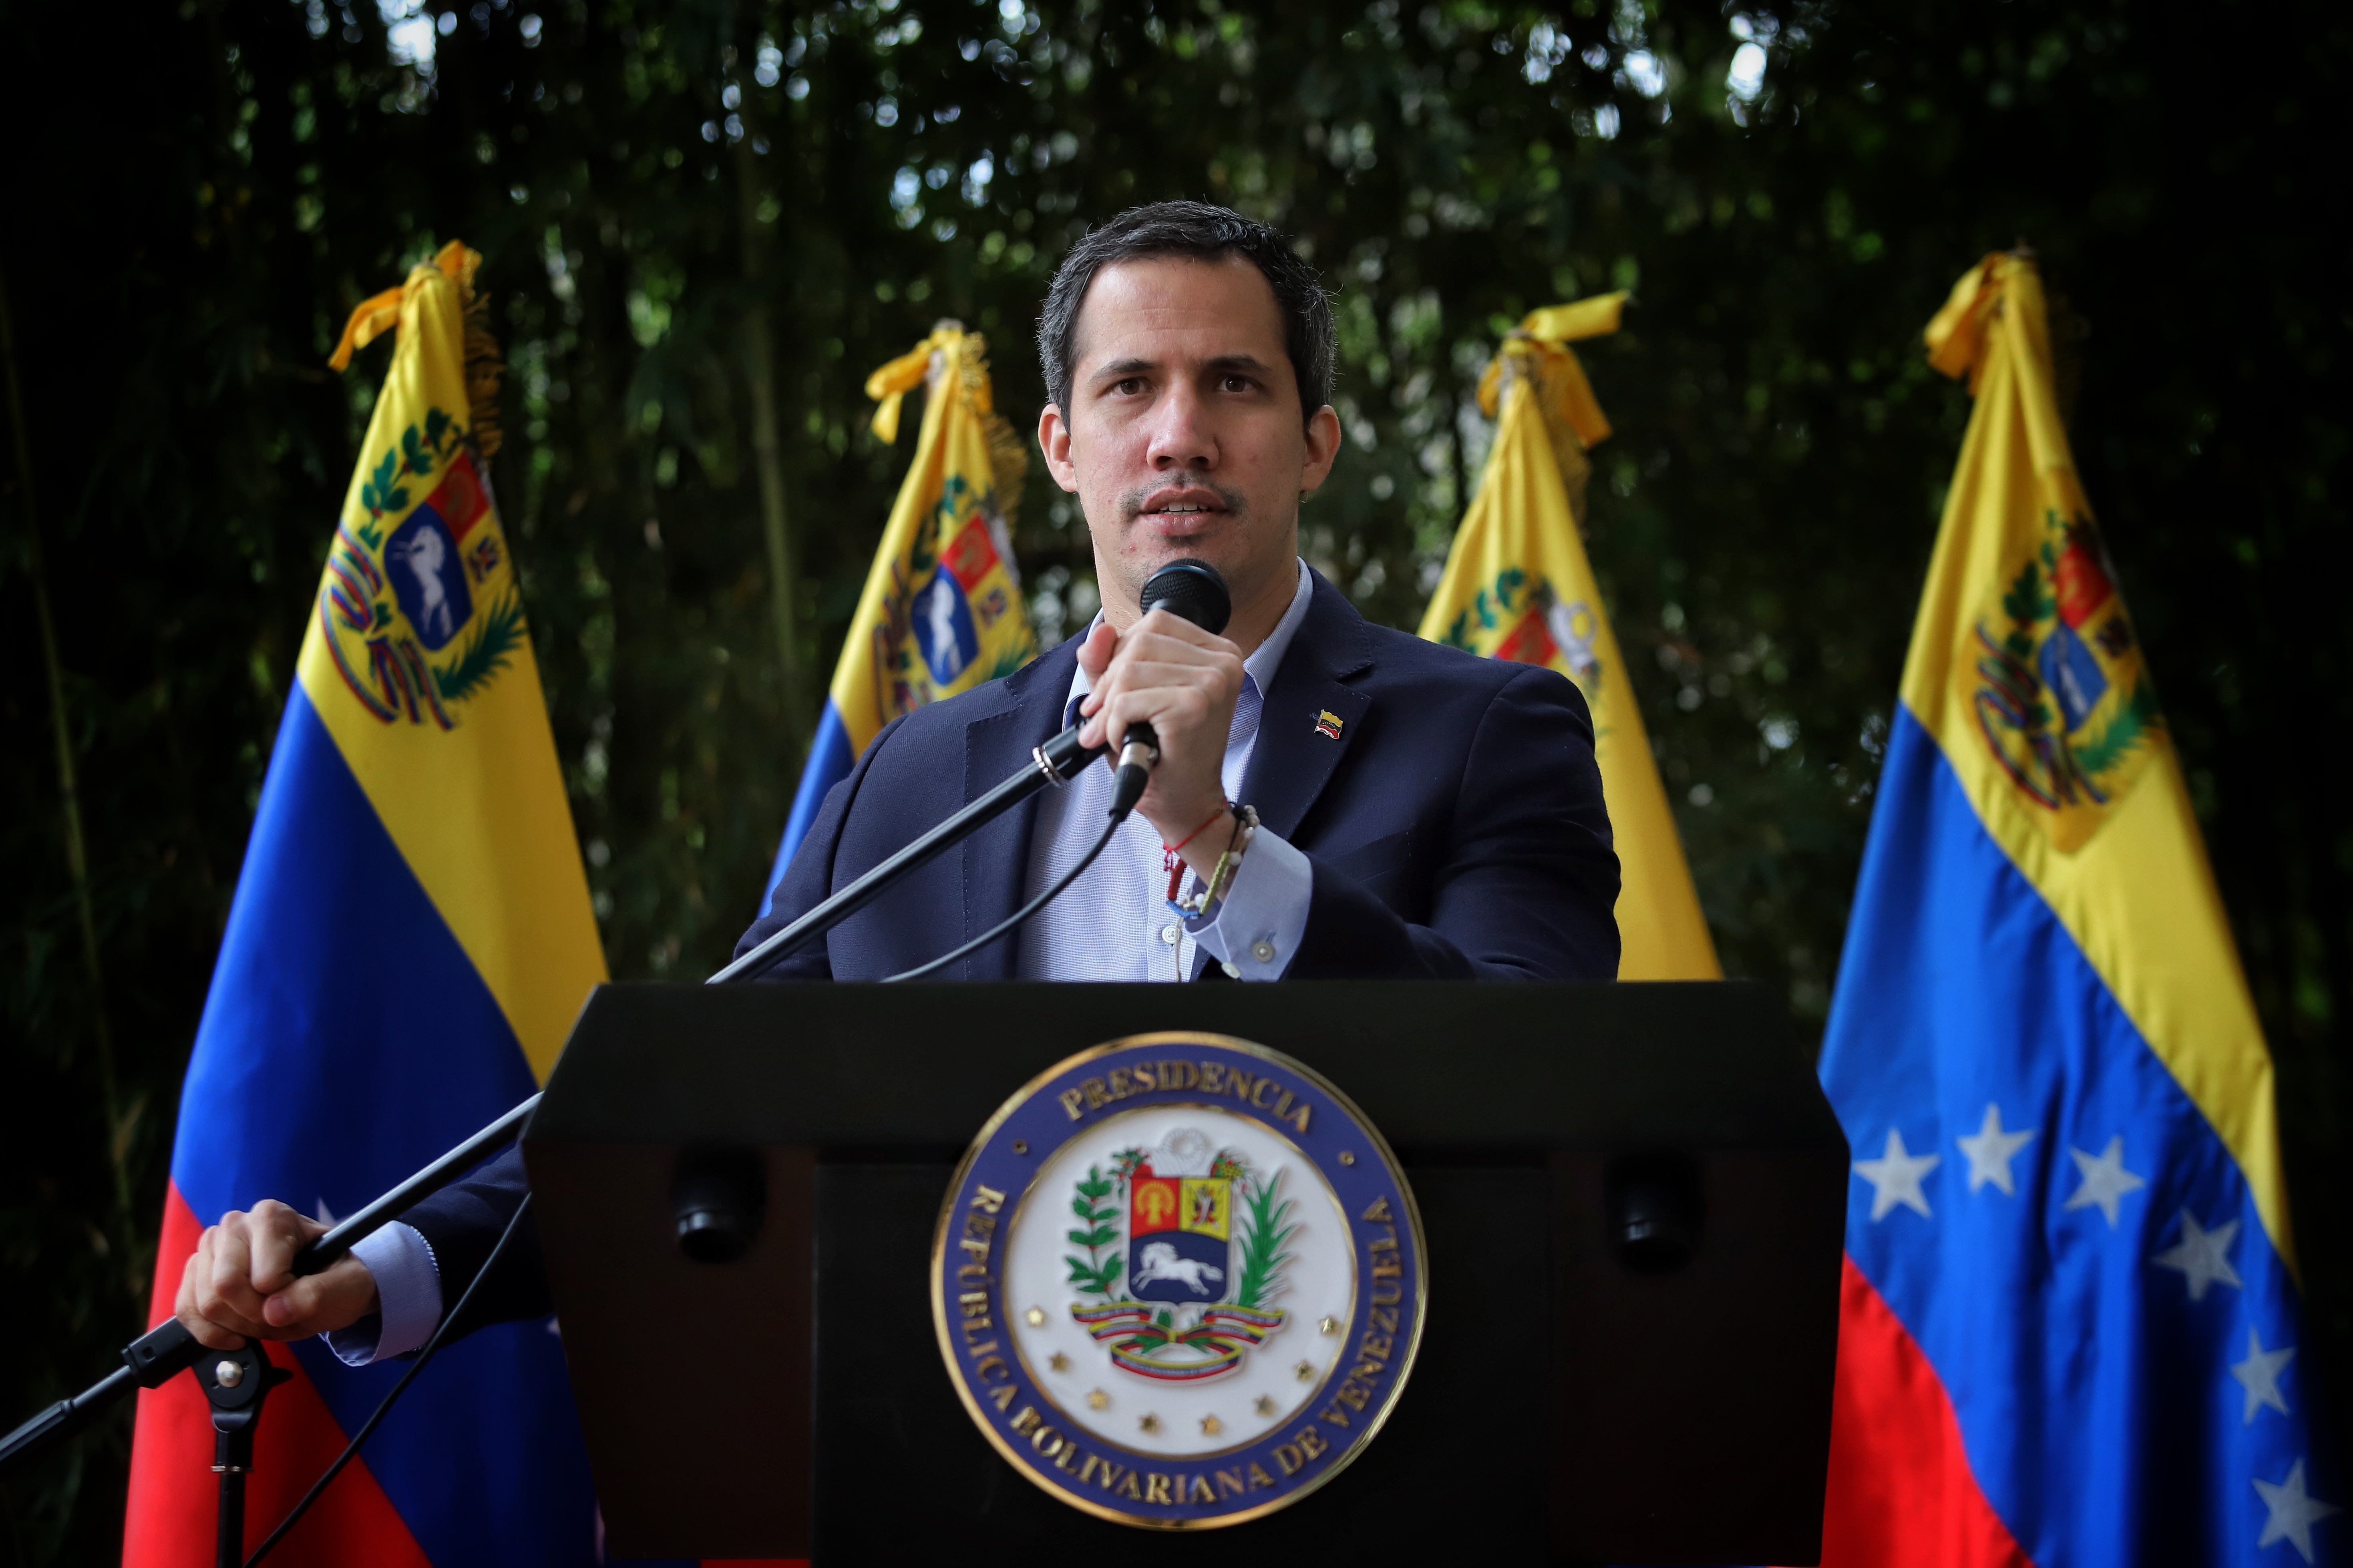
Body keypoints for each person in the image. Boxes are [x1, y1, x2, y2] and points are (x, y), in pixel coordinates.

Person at [174, 200, 1620, 1361]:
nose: (1179, 428)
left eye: (1232, 381)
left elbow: (1544, 1089)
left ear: (1313, 444)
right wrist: (378, 1260)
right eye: (1131, 386)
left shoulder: (1489, 727)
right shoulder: (927, 772)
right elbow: (705, 1102)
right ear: (1062, 446)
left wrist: (1225, 846)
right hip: (969, 1484)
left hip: (1369, 1475)